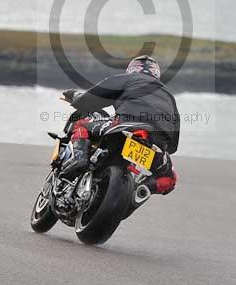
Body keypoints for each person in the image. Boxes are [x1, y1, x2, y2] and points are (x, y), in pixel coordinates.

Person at [59, 55, 179, 194]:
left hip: (126, 124)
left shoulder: (127, 79)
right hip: (157, 141)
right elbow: (173, 144)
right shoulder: (169, 96)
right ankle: (142, 190)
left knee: (81, 125)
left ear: (132, 69)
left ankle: (79, 158)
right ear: (156, 73)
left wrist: (76, 97)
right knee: (169, 178)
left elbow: (93, 98)